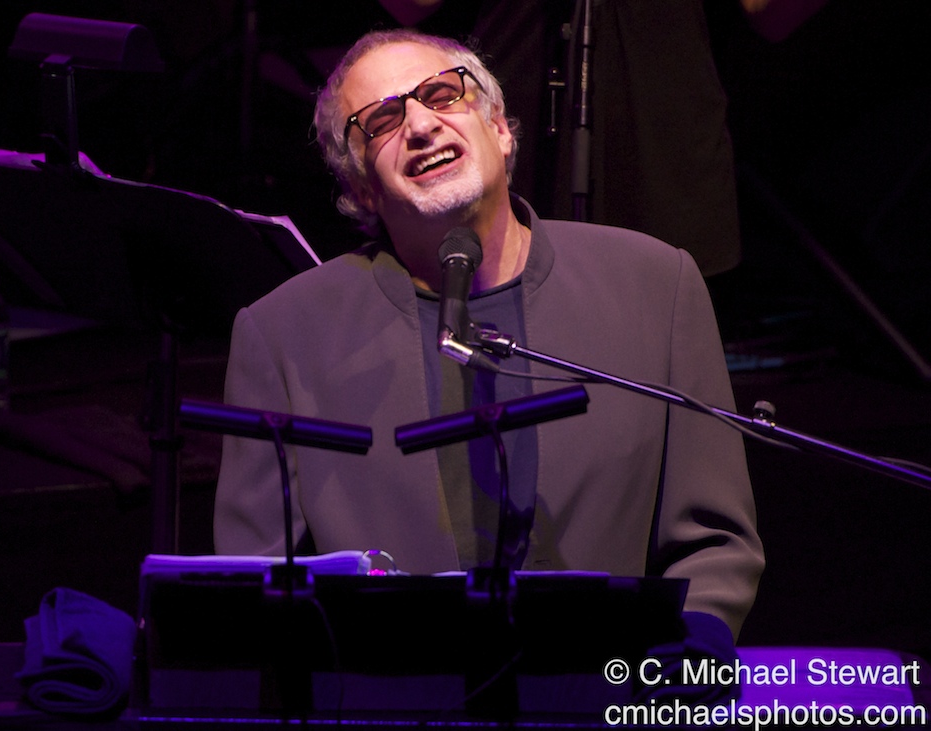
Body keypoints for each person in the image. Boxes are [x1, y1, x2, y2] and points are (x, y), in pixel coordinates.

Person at [214, 29, 764, 648]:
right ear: (362, 188)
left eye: (442, 95)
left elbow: (715, 541)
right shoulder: (283, 334)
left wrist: (694, 647)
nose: (421, 125)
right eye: (383, 120)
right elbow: (251, 588)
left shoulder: (655, 284)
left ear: (500, 129)